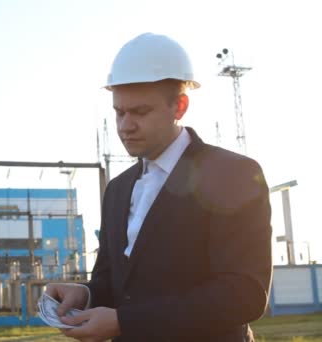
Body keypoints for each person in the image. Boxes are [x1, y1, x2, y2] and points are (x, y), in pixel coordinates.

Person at [45, 33, 272, 342]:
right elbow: (114, 283)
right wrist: (84, 294)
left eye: (140, 112)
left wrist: (126, 322)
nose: (125, 126)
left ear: (179, 106)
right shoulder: (117, 189)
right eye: (119, 112)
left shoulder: (233, 174)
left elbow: (243, 294)